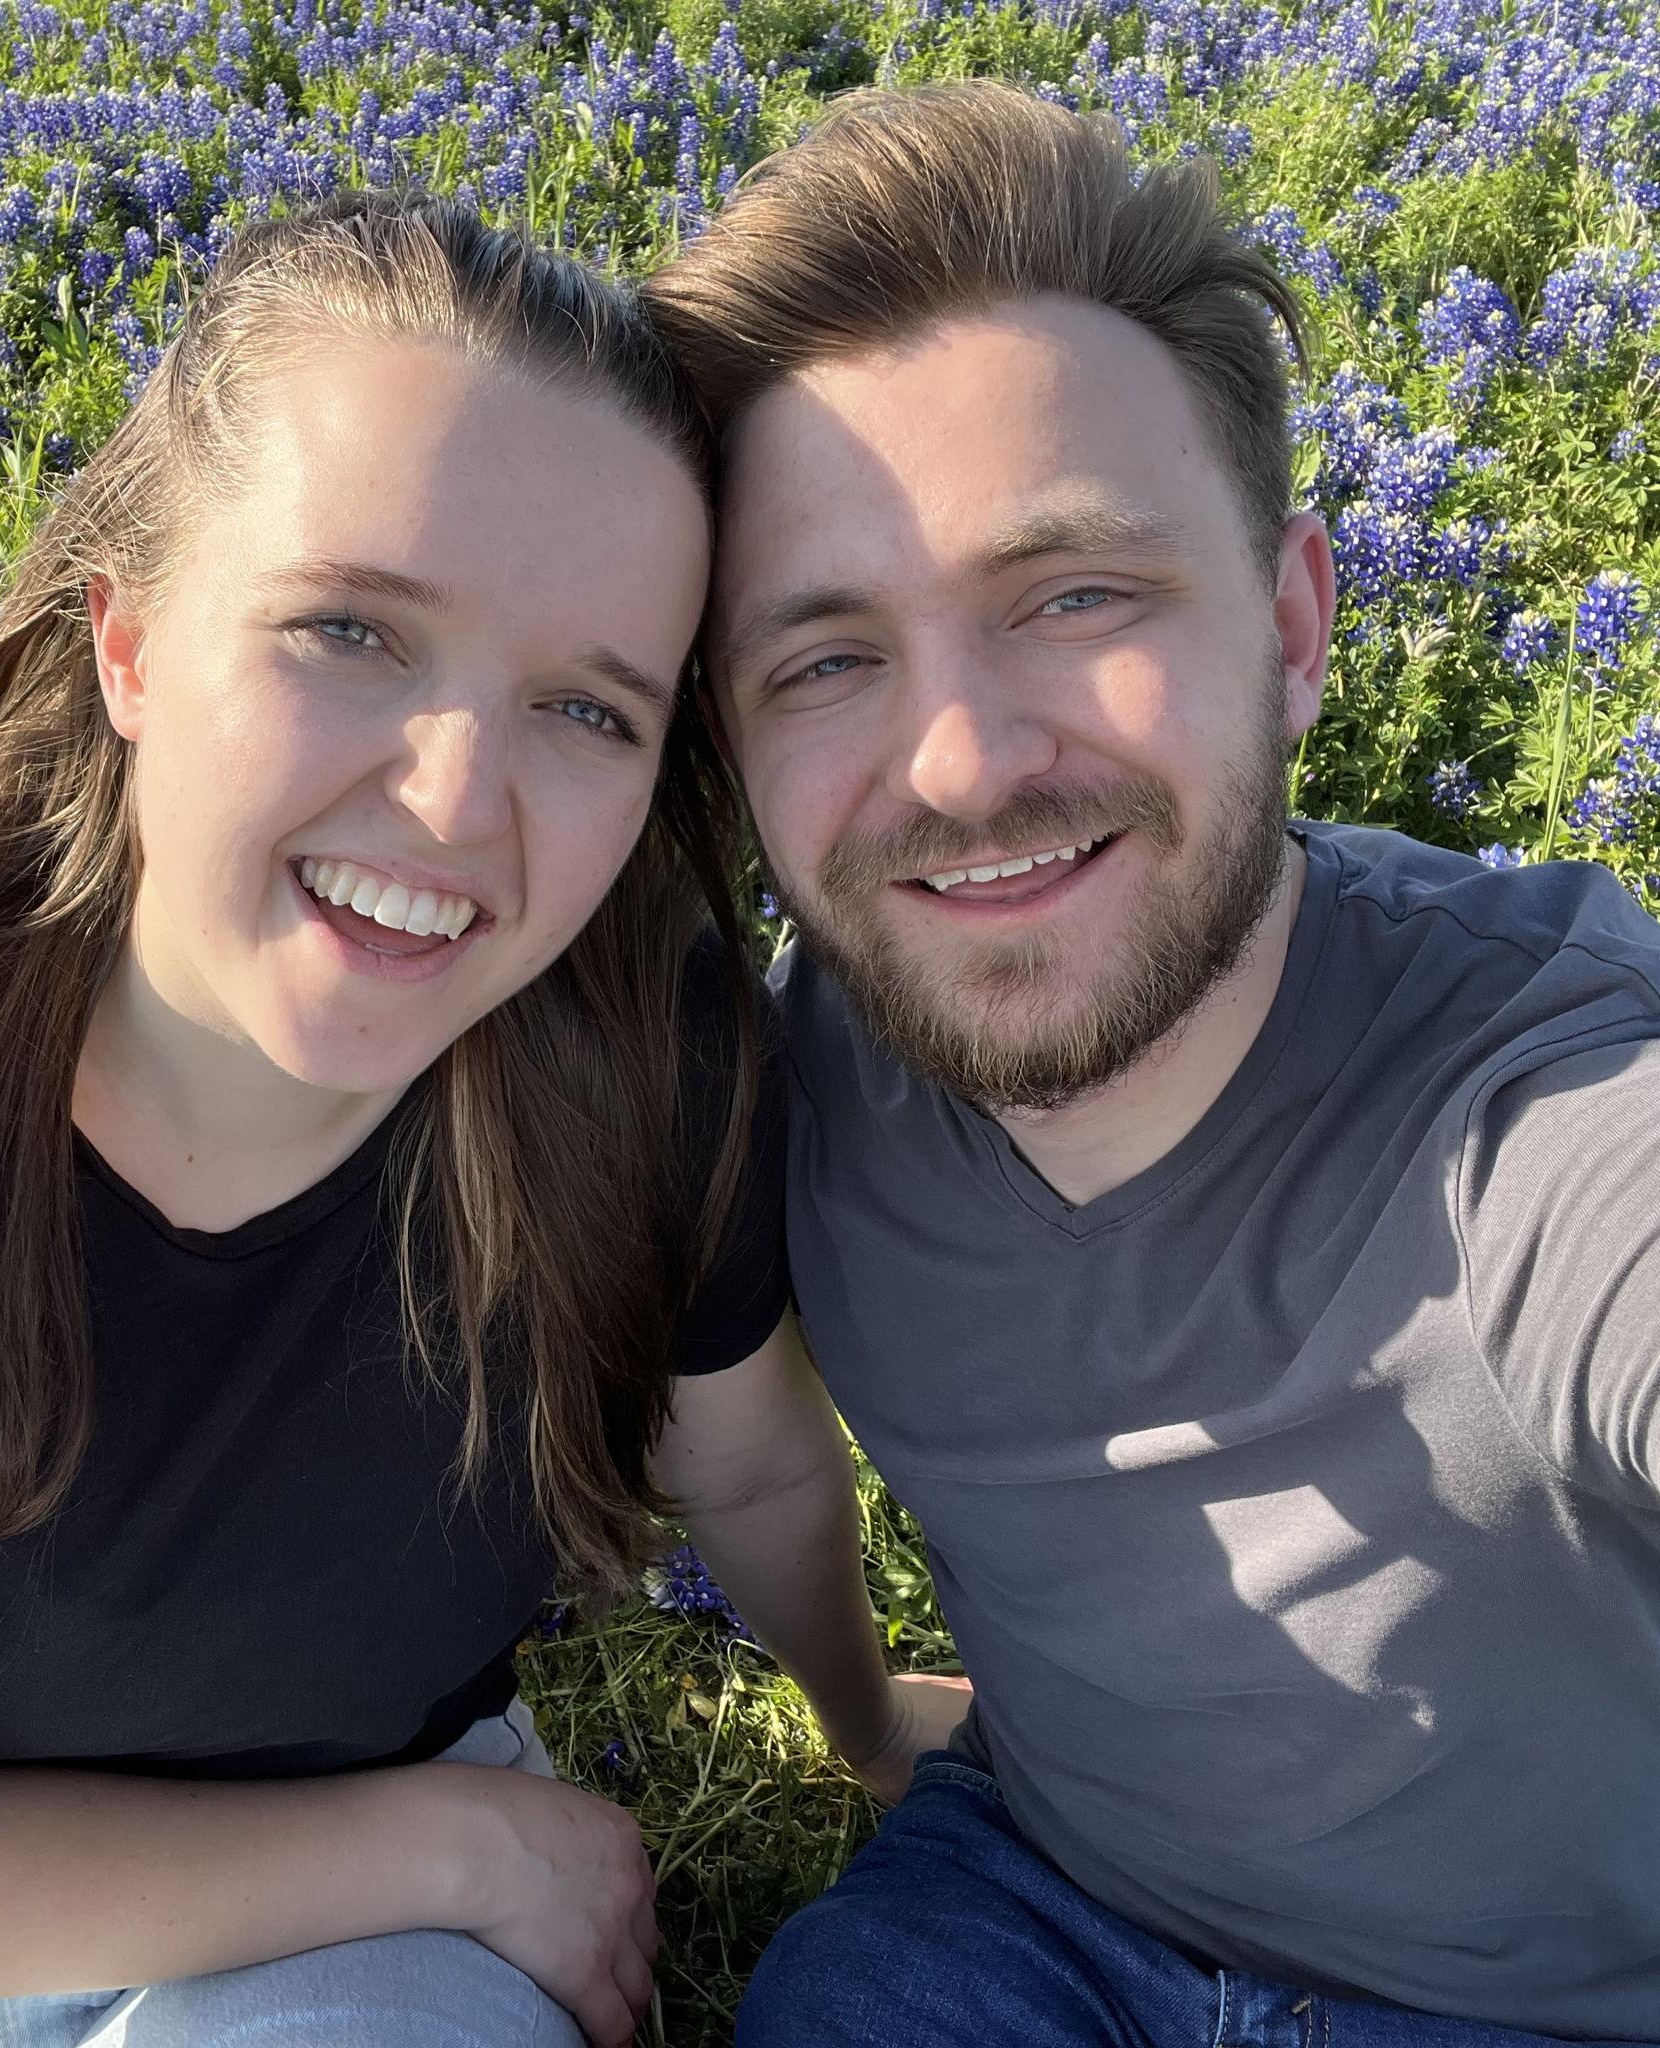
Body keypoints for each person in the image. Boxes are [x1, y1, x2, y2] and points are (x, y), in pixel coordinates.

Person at [0, 192, 918, 2048]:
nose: (458, 801)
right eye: (348, 633)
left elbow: (761, 1466)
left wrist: (873, 1730)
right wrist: (465, 1855)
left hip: (347, 1932)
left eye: (587, 708)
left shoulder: (642, 1052)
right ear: (129, 647)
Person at [643, 81, 1660, 2048]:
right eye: (825, 657)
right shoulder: (787, 1084)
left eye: (1074, 595)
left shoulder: (1545, 1110)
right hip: (1033, 1901)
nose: (959, 764)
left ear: (1290, 624)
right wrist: (861, 1718)